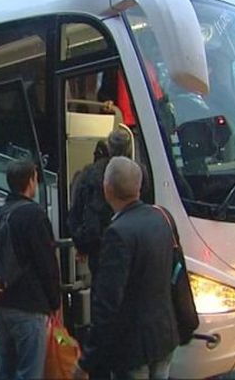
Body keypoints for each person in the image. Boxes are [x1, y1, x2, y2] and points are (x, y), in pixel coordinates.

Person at [73, 156, 179, 379]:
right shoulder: (162, 217)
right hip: (164, 334)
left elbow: (107, 304)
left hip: (132, 346)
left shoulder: (118, 233)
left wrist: (86, 362)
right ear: (139, 187)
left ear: (107, 188)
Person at [0, 159, 60, 380]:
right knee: (30, 372)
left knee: (7, 370)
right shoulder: (34, 214)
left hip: (1, 303)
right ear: (31, 181)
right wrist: (55, 302)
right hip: (29, 306)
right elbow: (46, 263)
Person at [67, 129, 148, 280]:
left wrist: (82, 244)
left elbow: (78, 212)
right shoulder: (140, 172)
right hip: (136, 246)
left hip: (100, 250)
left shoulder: (91, 174)